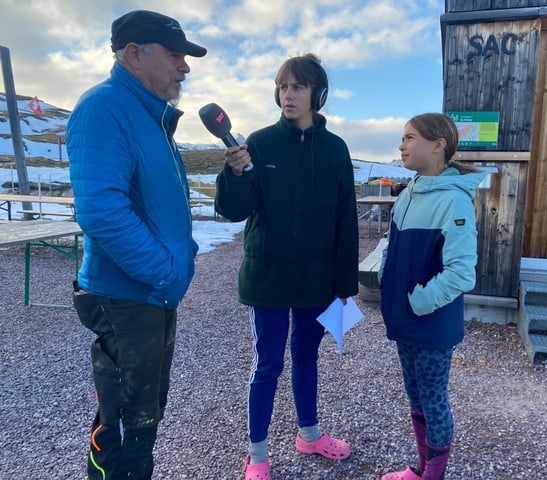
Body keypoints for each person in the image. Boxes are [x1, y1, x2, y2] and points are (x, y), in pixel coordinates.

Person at [65, 10, 206, 480]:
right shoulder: (103, 108)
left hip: (149, 292)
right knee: (126, 423)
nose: (184, 67)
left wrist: (175, 265)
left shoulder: (150, 115)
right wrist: (165, 269)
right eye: (175, 55)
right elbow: (101, 212)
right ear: (133, 54)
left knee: (143, 417)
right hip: (129, 294)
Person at [215, 53, 359, 480]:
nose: (288, 95)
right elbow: (234, 210)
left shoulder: (335, 149)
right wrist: (236, 174)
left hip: (317, 280)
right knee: (268, 364)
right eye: (282, 86)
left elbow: (346, 219)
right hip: (269, 278)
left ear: (318, 93)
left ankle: (309, 435)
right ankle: (257, 456)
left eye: (297, 86)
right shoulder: (257, 143)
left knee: (306, 357)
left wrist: (344, 284)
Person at [378, 113, 486, 480]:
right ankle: (423, 469)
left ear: (438, 144)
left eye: (410, 137)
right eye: (402, 137)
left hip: (431, 324)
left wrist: (419, 301)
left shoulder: (455, 202)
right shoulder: (409, 192)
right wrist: (385, 280)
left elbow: (461, 272)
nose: (401, 145)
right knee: (416, 397)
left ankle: (433, 475)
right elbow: (392, 249)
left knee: (434, 400)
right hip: (404, 319)